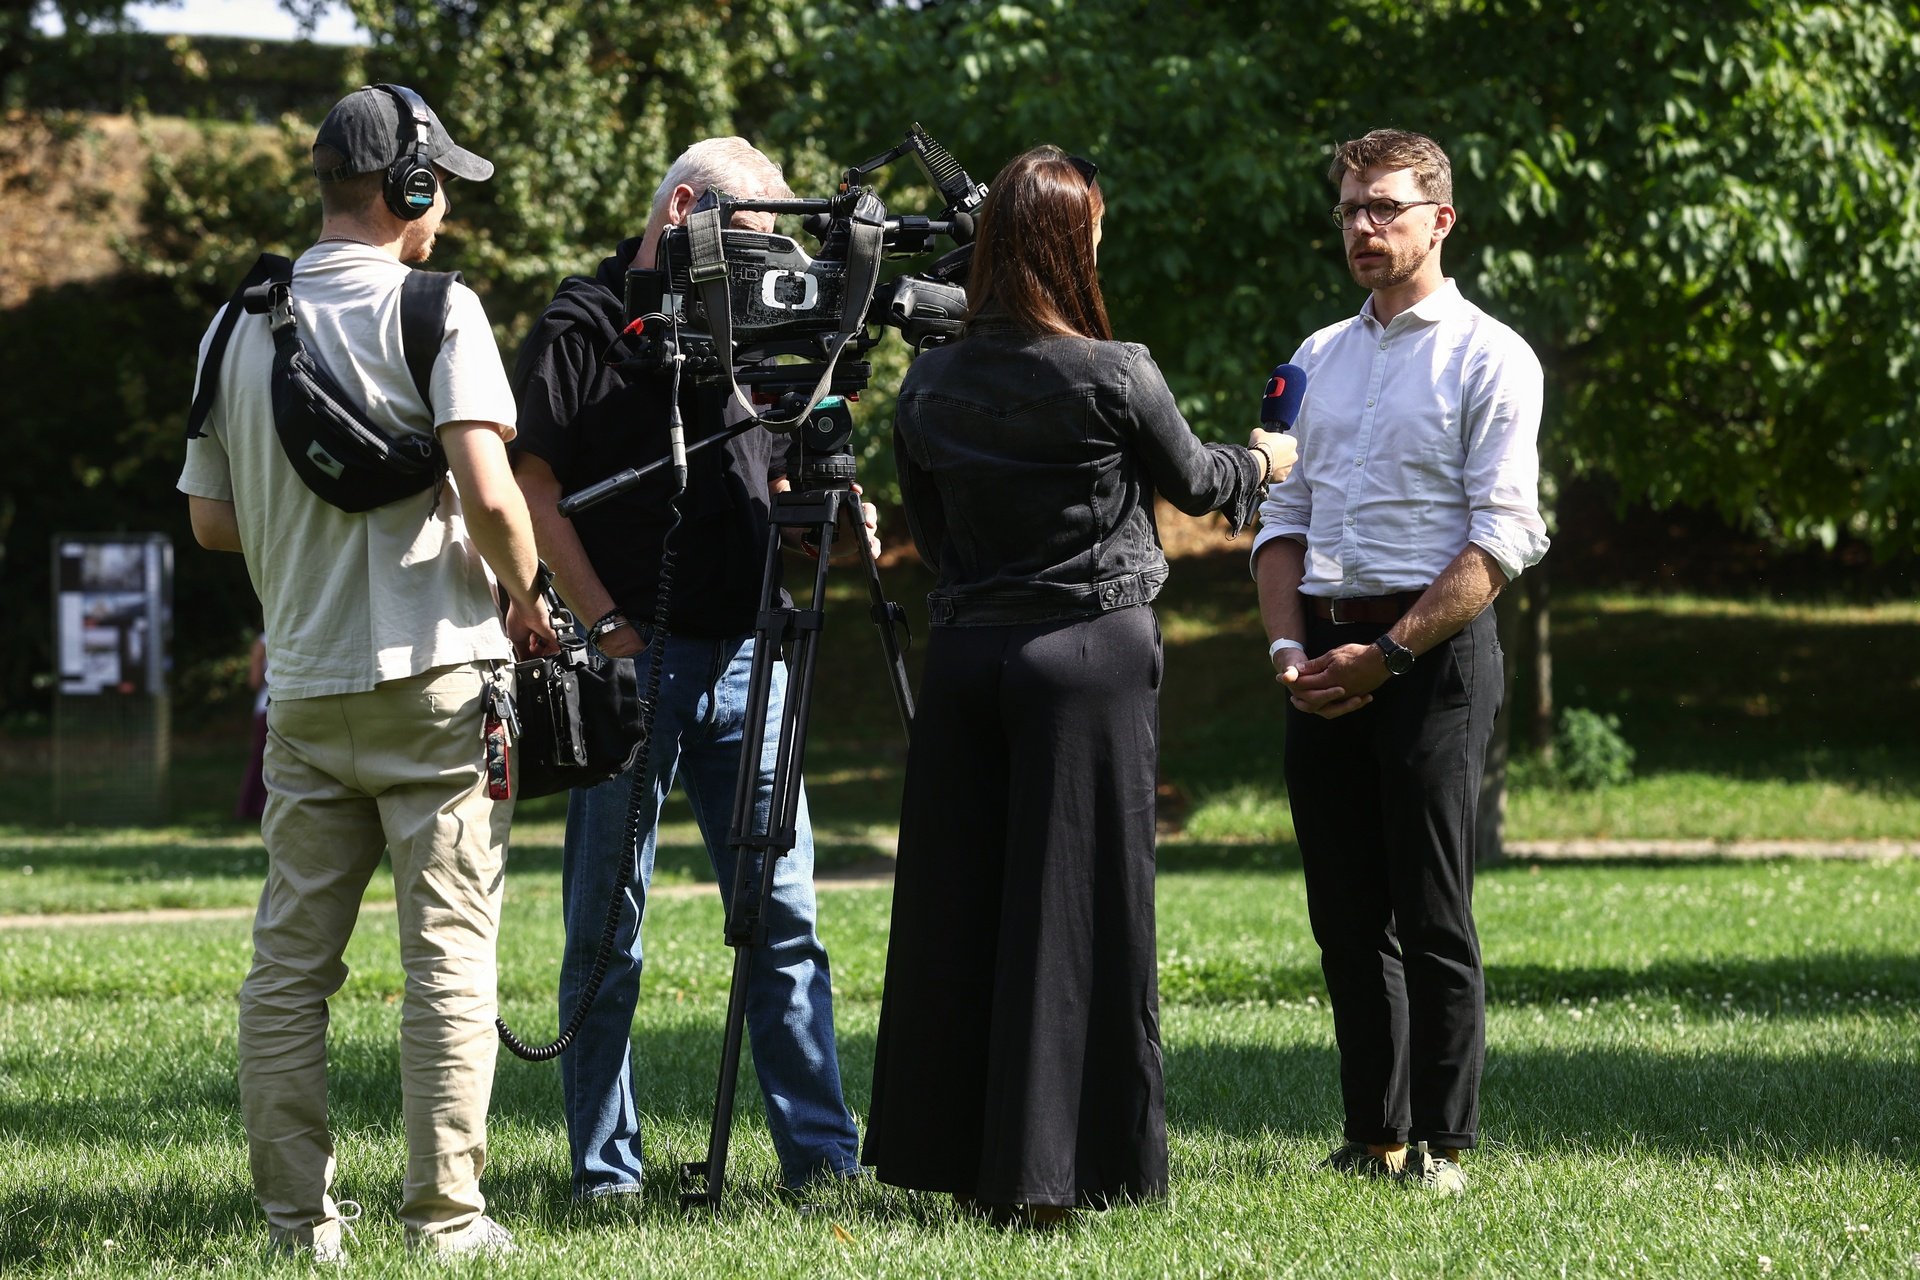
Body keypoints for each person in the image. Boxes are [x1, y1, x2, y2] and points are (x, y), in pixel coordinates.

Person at [863, 145, 1296, 1223]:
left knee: (960, 907)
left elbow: (930, 529)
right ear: (1067, 242)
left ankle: (959, 1161)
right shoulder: (1115, 370)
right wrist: (1265, 459)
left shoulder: (929, 381)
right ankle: (1053, 1178)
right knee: (1074, 907)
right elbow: (1197, 481)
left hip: (967, 657)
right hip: (1086, 656)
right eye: (1092, 230)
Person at [178, 84, 555, 1259]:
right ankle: (446, 1218)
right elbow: (491, 494)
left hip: (302, 689)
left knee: (289, 969)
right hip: (440, 681)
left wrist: (308, 531)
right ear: (411, 187)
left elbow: (211, 520)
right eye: (440, 191)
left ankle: (299, 1225)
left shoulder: (235, 325)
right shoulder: (440, 309)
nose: (445, 214)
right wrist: (531, 596)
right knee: (447, 959)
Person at [510, 136, 865, 1200]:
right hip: (635, 664)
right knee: (605, 928)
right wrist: (607, 624)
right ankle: (605, 1173)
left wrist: (824, 508)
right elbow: (532, 490)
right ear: (682, 212)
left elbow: (781, 468)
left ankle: (822, 1161)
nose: (763, 270)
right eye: (748, 242)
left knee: (785, 918)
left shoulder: (755, 323)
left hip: (753, 654)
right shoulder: (581, 325)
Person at [1251, 128, 1549, 1195]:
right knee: (1343, 913)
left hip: (1433, 658)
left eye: (1385, 207)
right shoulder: (1315, 355)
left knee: (1431, 911)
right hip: (1324, 654)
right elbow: (1279, 515)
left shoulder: (1491, 355)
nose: (1363, 227)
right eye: (1350, 209)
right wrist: (1290, 645)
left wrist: (1387, 653)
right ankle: (1373, 1133)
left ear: (1441, 219)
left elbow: (1503, 538)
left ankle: (1445, 1144)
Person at [234, 632, 269, 822]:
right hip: (289, 707)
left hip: (266, 708)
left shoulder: (263, 642)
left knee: (260, 759)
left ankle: (250, 807)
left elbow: (254, 682)